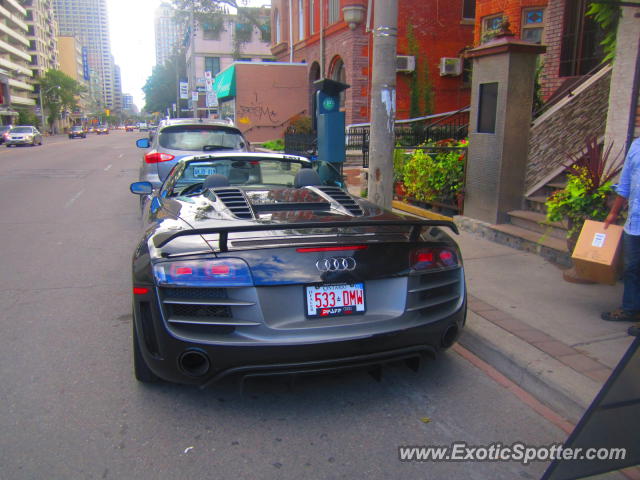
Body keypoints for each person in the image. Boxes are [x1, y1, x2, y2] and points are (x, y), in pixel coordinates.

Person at [601, 136, 640, 336]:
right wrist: (614, 213)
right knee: (632, 269)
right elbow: (625, 184)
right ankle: (631, 309)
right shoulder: (636, 145)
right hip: (634, 224)